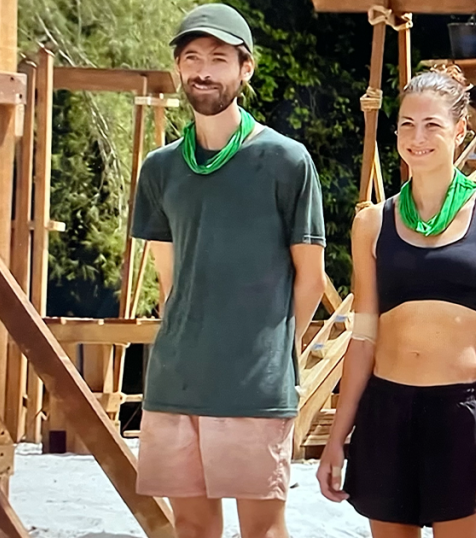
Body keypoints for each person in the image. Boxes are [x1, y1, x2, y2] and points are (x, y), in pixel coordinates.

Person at [130, 4, 327, 538]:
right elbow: (169, 283)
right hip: (176, 380)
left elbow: (310, 277)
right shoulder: (160, 168)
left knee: (261, 529)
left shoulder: (287, 161)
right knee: (191, 526)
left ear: (246, 68)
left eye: (218, 59)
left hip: (253, 386)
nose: (203, 71)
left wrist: (274, 354)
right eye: (192, 58)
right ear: (178, 67)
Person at [316, 66, 476, 538]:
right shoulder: (372, 223)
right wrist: (336, 438)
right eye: (407, 125)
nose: (418, 137)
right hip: (386, 413)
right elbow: (363, 337)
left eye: (432, 125)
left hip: (460, 413)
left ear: (460, 130)